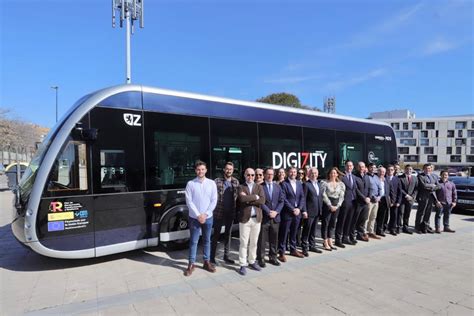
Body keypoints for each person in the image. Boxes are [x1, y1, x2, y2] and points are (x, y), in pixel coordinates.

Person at [184, 161, 218, 276]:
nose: (200, 171)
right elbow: (189, 202)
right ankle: (191, 263)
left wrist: (206, 214)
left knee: (207, 240)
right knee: (193, 241)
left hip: (208, 217)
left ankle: (206, 261)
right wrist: (198, 215)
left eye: (203, 169)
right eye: (198, 169)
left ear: (206, 170)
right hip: (194, 218)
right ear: (195, 171)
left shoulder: (212, 183)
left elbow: (214, 200)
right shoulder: (190, 184)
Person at [210, 162, 240, 265]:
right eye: (227, 169)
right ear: (224, 170)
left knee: (228, 235)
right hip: (219, 212)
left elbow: (238, 198)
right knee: (216, 235)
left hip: (230, 213)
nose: (229, 171)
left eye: (230, 169)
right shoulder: (217, 181)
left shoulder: (236, 182)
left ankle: (226, 257)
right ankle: (211, 257)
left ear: (233, 170)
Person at [237, 168, 265, 276]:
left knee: (254, 242)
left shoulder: (259, 187)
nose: (251, 177)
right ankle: (243, 264)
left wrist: (248, 198)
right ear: (244, 175)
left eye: (253, 175)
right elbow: (241, 199)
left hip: (256, 219)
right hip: (245, 219)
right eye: (248, 175)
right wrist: (255, 197)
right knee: (244, 243)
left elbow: (262, 200)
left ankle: (252, 261)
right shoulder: (241, 187)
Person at [257, 168, 284, 267]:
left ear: (274, 175)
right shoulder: (260, 187)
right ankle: (261, 258)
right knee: (262, 240)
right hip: (265, 217)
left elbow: (282, 201)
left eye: (271, 174)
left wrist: (276, 212)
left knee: (274, 239)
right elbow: (260, 201)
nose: (270, 176)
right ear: (264, 175)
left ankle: (273, 257)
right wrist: (268, 211)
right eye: (268, 174)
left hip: (275, 217)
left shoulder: (278, 187)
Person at [278, 167, 305, 261]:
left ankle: (293, 249)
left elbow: (302, 197)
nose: (293, 173)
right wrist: (293, 209)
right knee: (284, 233)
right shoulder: (283, 184)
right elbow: (283, 199)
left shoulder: (299, 183)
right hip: (287, 213)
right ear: (287, 173)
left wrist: (299, 209)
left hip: (297, 213)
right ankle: (281, 252)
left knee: (294, 232)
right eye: (291, 172)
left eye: (294, 172)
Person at [320, 167, 345, 251]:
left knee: (332, 223)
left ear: (337, 174)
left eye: (334, 173)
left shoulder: (341, 184)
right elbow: (323, 195)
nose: (333, 174)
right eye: (331, 173)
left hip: (336, 206)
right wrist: (330, 205)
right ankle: (325, 241)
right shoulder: (324, 183)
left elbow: (341, 196)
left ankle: (330, 240)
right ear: (329, 174)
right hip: (327, 205)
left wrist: (337, 206)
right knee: (325, 223)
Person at [301, 167, 323, 255]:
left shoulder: (319, 184)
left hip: (317, 211)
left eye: (315, 173)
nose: (314, 175)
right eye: (312, 173)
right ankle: (304, 247)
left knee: (313, 230)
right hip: (309, 212)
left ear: (317, 174)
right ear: (309, 174)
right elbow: (303, 199)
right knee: (307, 230)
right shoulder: (306, 184)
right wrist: (304, 211)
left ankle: (312, 245)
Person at [415, 164, 441, 234]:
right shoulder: (420, 176)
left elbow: (439, 186)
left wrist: (431, 187)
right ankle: (418, 227)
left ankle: (425, 227)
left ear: (431, 169)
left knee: (428, 213)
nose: (428, 169)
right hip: (423, 197)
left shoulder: (434, 176)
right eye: (426, 168)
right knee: (421, 212)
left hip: (431, 197)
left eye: (429, 168)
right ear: (423, 169)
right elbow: (423, 185)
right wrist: (432, 186)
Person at [336, 160, 357, 247]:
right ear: (345, 166)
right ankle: (338, 239)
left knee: (349, 220)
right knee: (341, 221)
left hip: (352, 202)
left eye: (351, 166)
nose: (349, 167)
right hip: (344, 202)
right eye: (348, 166)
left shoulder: (353, 176)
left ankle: (345, 237)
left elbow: (354, 189)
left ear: (353, 167)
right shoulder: (341, 176)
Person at [353, 161, 371, 242]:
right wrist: (364, 198)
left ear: (365, 168)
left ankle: (360, 235)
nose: (361, 168)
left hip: (366, 203)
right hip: (358, 202)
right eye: (360, 167)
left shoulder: (367, 177)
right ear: (357, 167)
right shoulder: (354, 176)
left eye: (363, 167)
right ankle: (352, 234)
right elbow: (356, 190)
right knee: (355, 219)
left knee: (363, 219)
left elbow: (369, 188)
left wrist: (369, 197)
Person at [398, 164, 418, 234]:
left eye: (410, 169)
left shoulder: (415, 178)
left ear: (412, 170)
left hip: (410, 200)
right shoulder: (400, 177)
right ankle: (399, 227)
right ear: (404, 169)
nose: (409, 170)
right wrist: (406, 195)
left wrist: (412, 196)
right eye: (407, 169)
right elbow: (399, 188)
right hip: (402, 199)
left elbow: (416, 189)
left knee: (407, 214)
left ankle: (405, 227)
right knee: (401, 213)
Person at [366, 163, 382, 239]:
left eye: (374, 168)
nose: (373, 169)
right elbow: (367, 189)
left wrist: (379, 197)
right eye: (371, 167)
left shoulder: (377, 177)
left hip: (376, 201)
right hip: (370, 200)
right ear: (368, 168)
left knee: (373, 217)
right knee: (367, 217)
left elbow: (380, 188)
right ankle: (364, 232)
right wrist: (372, 197)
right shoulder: (366, 177)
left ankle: (371, 231)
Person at [386, 164, 402, 235]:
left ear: (394, 171)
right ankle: (383, 228)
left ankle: (392, 229)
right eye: (389, 170)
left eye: (392, 170)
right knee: (385, 215)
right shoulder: (384, 178)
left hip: (395, 201)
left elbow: (400, 191)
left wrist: (398, 201)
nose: (390, 171)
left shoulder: (397, 179)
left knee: (394, 215)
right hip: (385, 201)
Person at [375, 166, 390, 237]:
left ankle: (380, 229)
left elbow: (388, 190)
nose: (382, 173)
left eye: (383, 172)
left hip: (384, 199)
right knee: (376, 216)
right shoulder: (375, 179)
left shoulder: (386, 179)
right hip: (377, 199)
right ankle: (377, 229)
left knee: (383, 216)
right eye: (380, 171)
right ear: (378, 172)